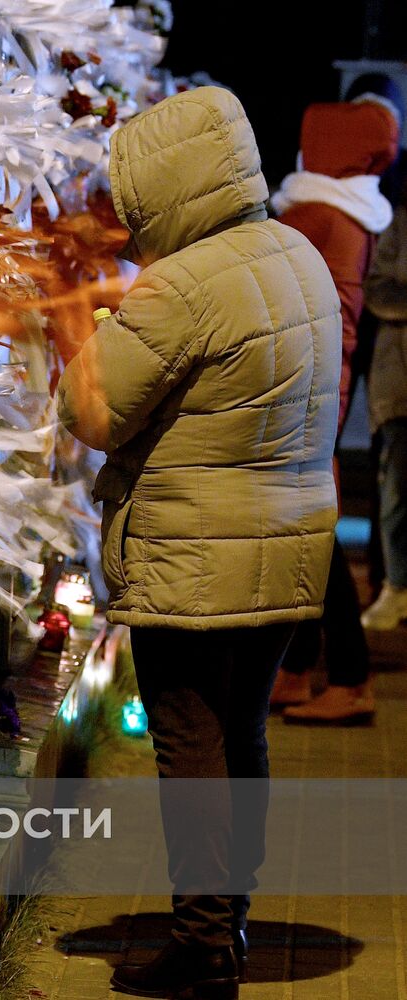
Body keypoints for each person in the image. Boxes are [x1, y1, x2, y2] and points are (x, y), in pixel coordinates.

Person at [58, 87, 340, 998]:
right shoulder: (293, 252)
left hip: (193, 549)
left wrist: (80, 320)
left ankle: (203, 943)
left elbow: (92, 410)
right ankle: (232, 915)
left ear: (164, 184)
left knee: (187, 739)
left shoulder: (183, 283)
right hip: (286, 538)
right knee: (240, 726)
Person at [268, 87, 400, 723]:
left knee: (310, 533)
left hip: (301, 383)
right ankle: (297, 668)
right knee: (303, 525)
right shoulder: (356, 210)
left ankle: (350, 678)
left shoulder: (317, 213)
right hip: (322, 380)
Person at [363, 201, 407, 629]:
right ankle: (396, 587)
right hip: (400, 385)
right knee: (397, 490)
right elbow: (376, 289)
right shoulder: (398, 224)